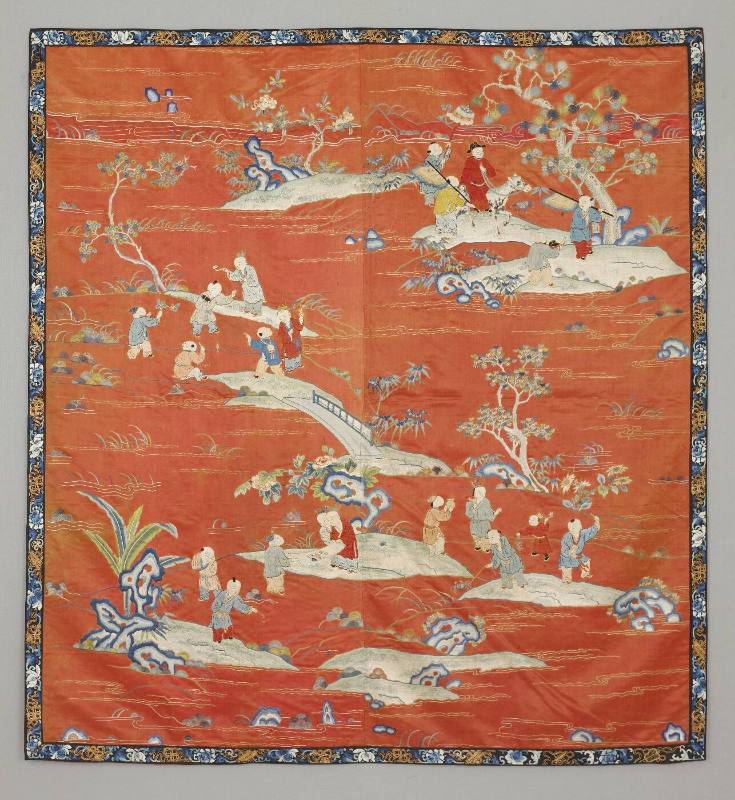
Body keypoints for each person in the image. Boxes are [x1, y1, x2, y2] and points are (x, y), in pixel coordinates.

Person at [210, 577, 257, 642]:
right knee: (218, 627)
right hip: (218, 615)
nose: (233, 590)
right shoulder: (222, 594)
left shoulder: (235, 597)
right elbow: (216, 603)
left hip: (226, 615)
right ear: (228, 587)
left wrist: (250, 609)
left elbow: (240, 605)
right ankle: (218, 639)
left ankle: (228, 636)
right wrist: (217, 612)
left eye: (236, 589)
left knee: (228, 626)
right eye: (232, 588)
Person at [559, 515, 600, 583]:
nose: (574, 529)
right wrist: (570, 553)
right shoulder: (566, 537)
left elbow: (592, 531)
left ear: (580, 527)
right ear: (569, 529)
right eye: (572, 528)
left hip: (578, 554)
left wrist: (597, 521)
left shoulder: (583, 534)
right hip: (567, 556)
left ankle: (585, 574)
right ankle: (566, 579)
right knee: (566, 567)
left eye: (576, 527)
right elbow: (564, 549)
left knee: (586, 561)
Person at [412, 141, 452, 206]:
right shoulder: (430, 158)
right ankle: (429, 203)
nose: (439, 148)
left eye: (439, 147)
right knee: (430, 191)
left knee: (436, 190)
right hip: (429, 177)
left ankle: (438, 202)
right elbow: (431, 168)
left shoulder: (437, 156)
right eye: (437, 148)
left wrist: (448, 147)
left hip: (435, 176)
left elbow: (444, 156)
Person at [460, 142, 497, 209]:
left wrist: (485, 170)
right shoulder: (469, 161)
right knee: (474, 202)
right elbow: (465, 174)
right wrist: (462, 184)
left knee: (488, 200)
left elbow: (493, 173)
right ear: (473, 153)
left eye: (481, 151)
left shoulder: (485, 161)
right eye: (478, 152)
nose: (480, 153)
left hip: (484, 186)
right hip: (473, 187)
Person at [465, 485, 501, 551]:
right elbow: (468, 513)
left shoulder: (486, 502)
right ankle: (478, 544)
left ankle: (486, 546)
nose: (475, 493)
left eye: (478, 492)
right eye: (475, 492)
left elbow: (489, 511)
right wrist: (473, 509)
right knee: (475, 534)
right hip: (474, 522)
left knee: (486, 534)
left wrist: (495, 513)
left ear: (482, 493)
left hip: (484, 523)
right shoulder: (470, 502)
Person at [433, 176, 467, 240]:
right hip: (447, 210)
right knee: (451, 221)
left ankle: (439, 233)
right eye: (456, 186)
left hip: (438, 210)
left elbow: (436, 197)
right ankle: (452, 234)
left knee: (440, 223)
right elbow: (456, 200)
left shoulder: (441, 190)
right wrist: (464, 202)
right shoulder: (451, 191)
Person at [570, 196, 601, 260]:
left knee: (588, 241)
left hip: (585, 229)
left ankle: (588, 250)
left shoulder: (590, 210)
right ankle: (582, 254)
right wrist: (584, 214)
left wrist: (599, 212)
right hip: (577, 230)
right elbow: (578, 222)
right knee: (580, 243)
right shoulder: (577, 211)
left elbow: (597, 219)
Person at [276, 306, 304, 372]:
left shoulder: (294, 320)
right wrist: (288, 334)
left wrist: (301, 320)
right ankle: (290, 367)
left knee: (297, 353)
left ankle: (298, 364)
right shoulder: (281, 325)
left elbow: (300, 328)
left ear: (289, 314)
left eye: (284, 316)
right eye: (281, 317)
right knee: (289, 355)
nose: (283, 318)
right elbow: (280, 335)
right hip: (288, 343)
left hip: (296, 341)